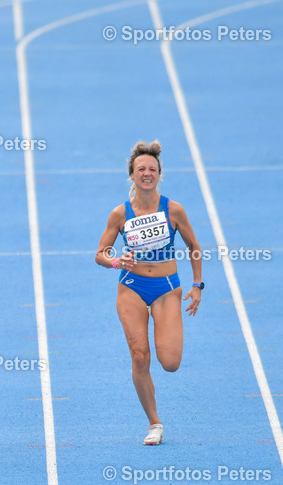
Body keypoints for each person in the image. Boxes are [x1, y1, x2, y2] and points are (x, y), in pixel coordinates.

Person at [95, 140, 202, 445]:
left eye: (152, 169)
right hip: (132, 286)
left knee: (170, 363)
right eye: (141, 168)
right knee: (140, 356)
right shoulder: (120, 214)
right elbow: (100, 253)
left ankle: (156, 410)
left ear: (158, 175)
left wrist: (197, 286)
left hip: (167, 289)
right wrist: (116, 260)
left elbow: (194, 248)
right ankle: (154, 423)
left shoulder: (173, 209)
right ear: (132, 175)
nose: (146, 173)